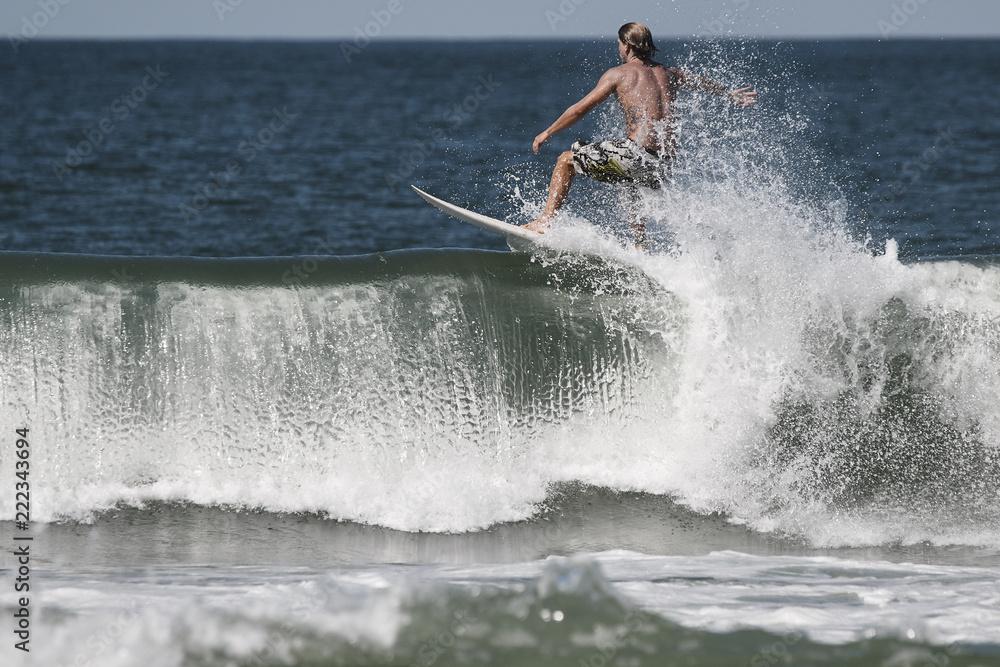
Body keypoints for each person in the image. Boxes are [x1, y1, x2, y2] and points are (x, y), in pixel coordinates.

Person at [525, 22, 758, 244]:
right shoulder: (670, 73)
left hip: (638, 155)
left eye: (618, 44)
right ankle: (640, 244)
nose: (618, 49)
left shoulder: (618, 74)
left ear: (627, 45)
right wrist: (729, 94)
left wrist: (548, 131)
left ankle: (545, 222)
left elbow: (579, 109)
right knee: (627, 180)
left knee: (566, 161)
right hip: (662, 165)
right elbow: (701, 83)